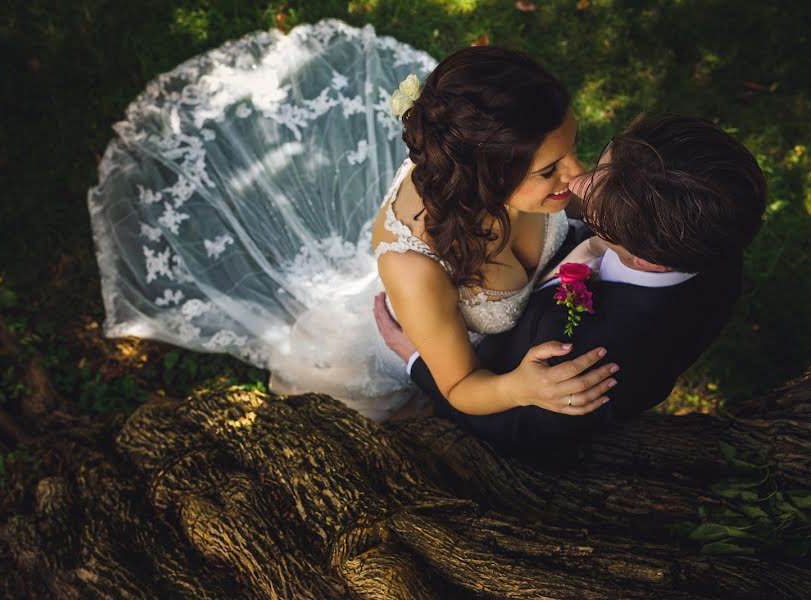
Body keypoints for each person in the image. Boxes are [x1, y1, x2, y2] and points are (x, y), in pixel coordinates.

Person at [86, 18, 611, 421]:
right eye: (551, 169)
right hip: (423, 371)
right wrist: (520, 389)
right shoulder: (418, 267)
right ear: (483, 177)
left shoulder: (505, 181)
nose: (578, 173)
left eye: (573, 149)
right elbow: (457, 386)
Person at [374, 113, 767, 456]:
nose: (578, 183)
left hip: (487, 368)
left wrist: (416, 358)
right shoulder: (713, 230)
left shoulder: (587, 363)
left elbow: (516, 432)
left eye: (601, 206)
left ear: (645, 259)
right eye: (603, 166)